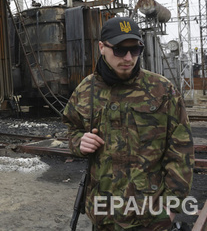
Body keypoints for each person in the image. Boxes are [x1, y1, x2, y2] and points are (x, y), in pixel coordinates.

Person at [63, 16, 194, 230]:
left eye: (135, 50)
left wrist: (171, 208)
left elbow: (181, 151)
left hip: (151, 216)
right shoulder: (86, 91)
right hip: (104, 214)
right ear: (102, 47)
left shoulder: (162, 90)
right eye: (120, 50)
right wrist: (79, 142)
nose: (128, 57)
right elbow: (72, 129)